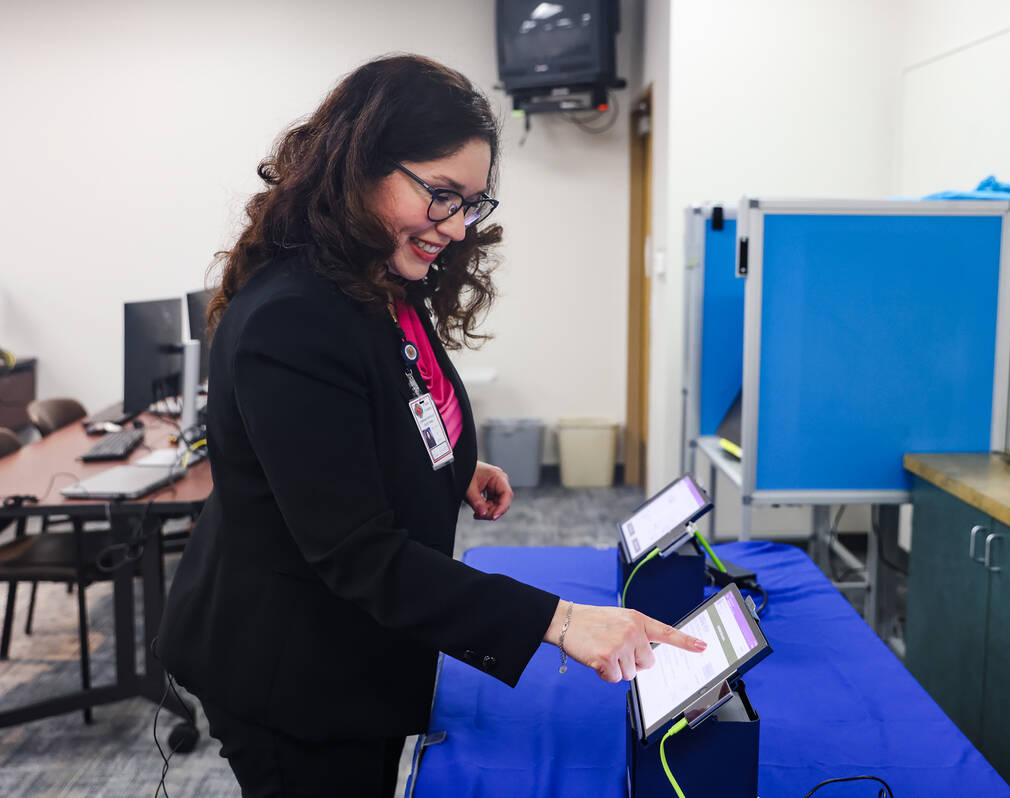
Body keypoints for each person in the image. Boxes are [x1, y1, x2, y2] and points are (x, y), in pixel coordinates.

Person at [158, 54, 706, 796]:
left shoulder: (381, 285)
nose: (453, 227)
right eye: (440, 195)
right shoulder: (292, 318)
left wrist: (451, 464)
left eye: (471, 202)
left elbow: (390, 410)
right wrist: (561, 622)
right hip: (289, 663)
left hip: (365, 637)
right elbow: (356, 552)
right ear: (358, 167)